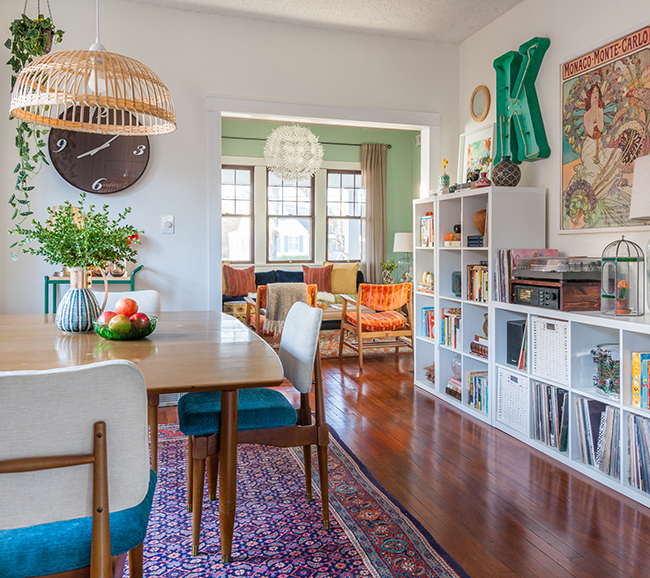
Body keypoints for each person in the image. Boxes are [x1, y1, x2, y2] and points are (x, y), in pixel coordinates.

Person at [583, 83, 605, 163]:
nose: (596, 93)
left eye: (597, 91)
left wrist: (596, 109)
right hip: (589, 145)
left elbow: (601, 128)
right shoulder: (586, 115)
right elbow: (590, 132)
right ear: (590, 95)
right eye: (593, 92)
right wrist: (592, 111)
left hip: (599, 145)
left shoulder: (600, 110)